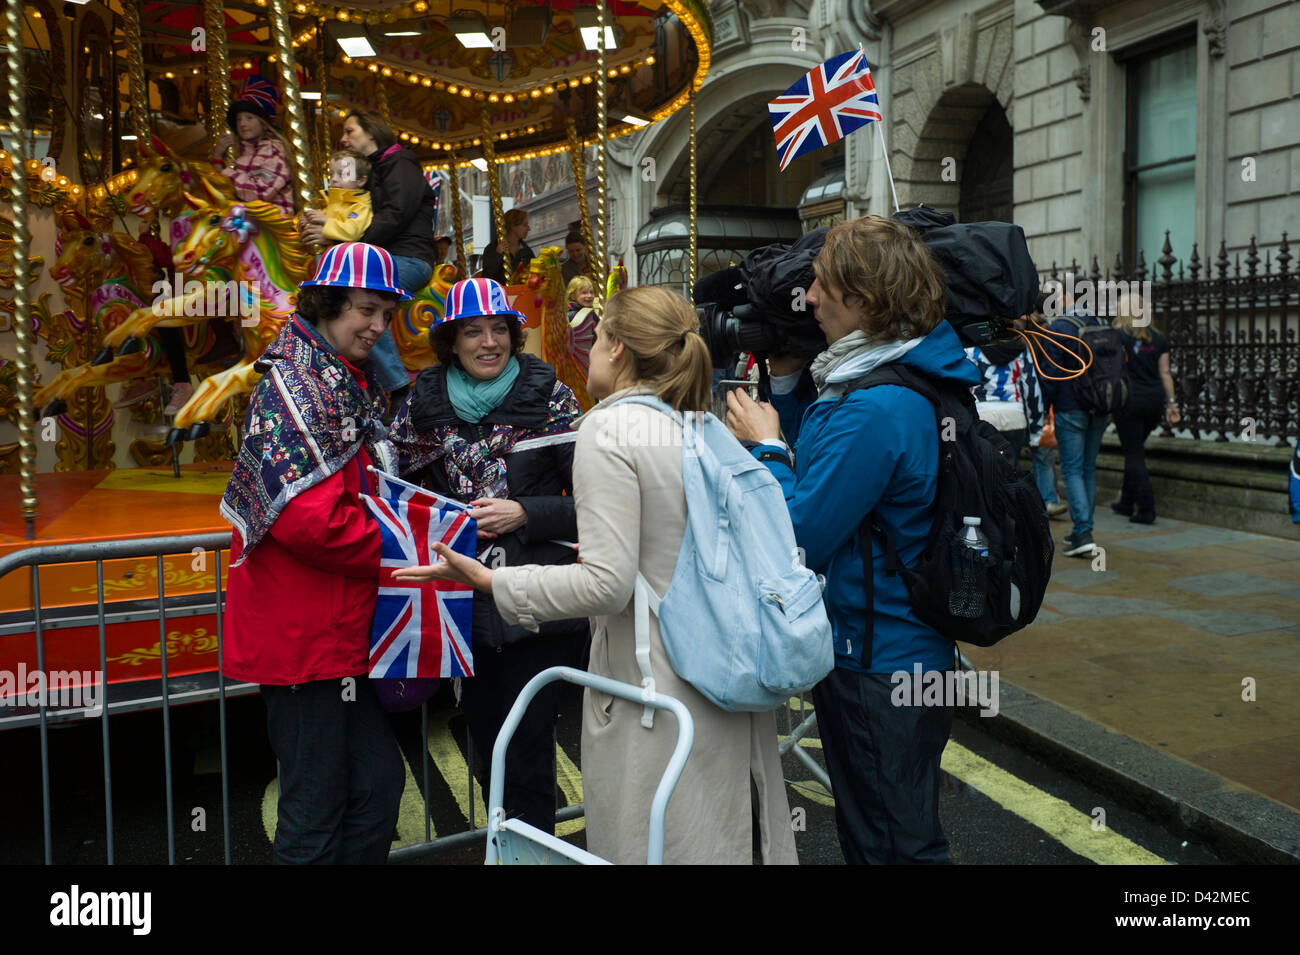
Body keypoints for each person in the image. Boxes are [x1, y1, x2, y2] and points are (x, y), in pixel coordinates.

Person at [395, 286, 799, 865]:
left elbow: (606, 583)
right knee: (721, 834)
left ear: (615, 348)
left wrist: (491, 583)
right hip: (722, 664)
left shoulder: (607, 430)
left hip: (654, 675)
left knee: (657, 837)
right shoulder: (699, 424)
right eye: (472, 332)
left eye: (596, 338)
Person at [726, 215, 978, 865]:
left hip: (877, 659)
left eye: (821, 284)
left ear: (864, 299)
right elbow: (829, 466)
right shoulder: (900, 376)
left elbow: (802, 530)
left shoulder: (875, 406)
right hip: (900, 646)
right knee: (887, 829)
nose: (808, 298)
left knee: (893, 843)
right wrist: (782, 388)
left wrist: (766, 449)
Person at [220, 242, 408, 864]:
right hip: (305, 640)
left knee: (374, 786)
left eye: (385, 313)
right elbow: (312, 522)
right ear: (327, 305)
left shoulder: (335, 379)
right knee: (315, 809)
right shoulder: (298, 385)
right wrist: (405, 546)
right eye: (365, 310)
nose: (377, 326)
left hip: (335, 631)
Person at [385, 278, 587, 835]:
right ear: (451, 341)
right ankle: (505, 842)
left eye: (499, 329)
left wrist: (525, 512)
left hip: (535, 606)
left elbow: (596, 502)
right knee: (484, 747)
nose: (488, 342)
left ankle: (534, 848)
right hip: (460, 608)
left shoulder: (552, 397)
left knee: (527, 753)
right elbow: (394, 495)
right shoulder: (419, 404)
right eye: (473, 331)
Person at [300, 109, 437, 395]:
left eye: (350, 131)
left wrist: (344, 238)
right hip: (384, 256)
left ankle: (398, 386)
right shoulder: (373, 171)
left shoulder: (401, 165)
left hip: (408, 257)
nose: (343, 138)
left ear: (371, 132)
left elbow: (396, 215)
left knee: (365, 294)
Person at [1038, 274, 1108, 557]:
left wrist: (1043, 410)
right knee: (1088, 468)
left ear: (1069, 296)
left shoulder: (1060, 327)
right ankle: (1082, 530)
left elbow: (1050, 374)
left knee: (1072, 469)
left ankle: (1084, 532)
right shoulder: (1103, 325)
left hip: (1070, 409)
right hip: (1100, 408)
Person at [1110, 291, 1179, 523]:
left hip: (1129, 401)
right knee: (1136, 448)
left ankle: (1147, 508)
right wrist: (1172, 404)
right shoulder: (1158, 338)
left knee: (1133, 454)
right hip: (1154, 402)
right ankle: (1126, 502)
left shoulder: (1117, 336)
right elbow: (1165, 373)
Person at [212, 99, 295, 219]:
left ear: (263, 123)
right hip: (247, 220)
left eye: (249, 118)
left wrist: (227, 173)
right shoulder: (240, 155)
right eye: (238, 119)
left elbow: (261, 192)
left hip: (272, 223)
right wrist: (217, 157)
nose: (242, 124)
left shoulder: (274, 152)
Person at [319, 151, 373, 245]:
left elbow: (352, 232)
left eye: (342, 175)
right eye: (331, 174)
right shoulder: (332, 202)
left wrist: (325, 220)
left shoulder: (360, 206)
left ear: (360, 181)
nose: (333, 179)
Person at [480, 208, 535, 285]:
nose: (529, 228)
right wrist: (497, 254)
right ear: (513, 226)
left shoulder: (526, 251)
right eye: (524, 225)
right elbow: (487, 278)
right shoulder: (492, 249)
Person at [565, 275, 601, 378]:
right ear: (573, 296)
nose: (589, 296)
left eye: (591, 292)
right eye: (584, 293)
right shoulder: (574, 315)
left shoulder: (589, 313)